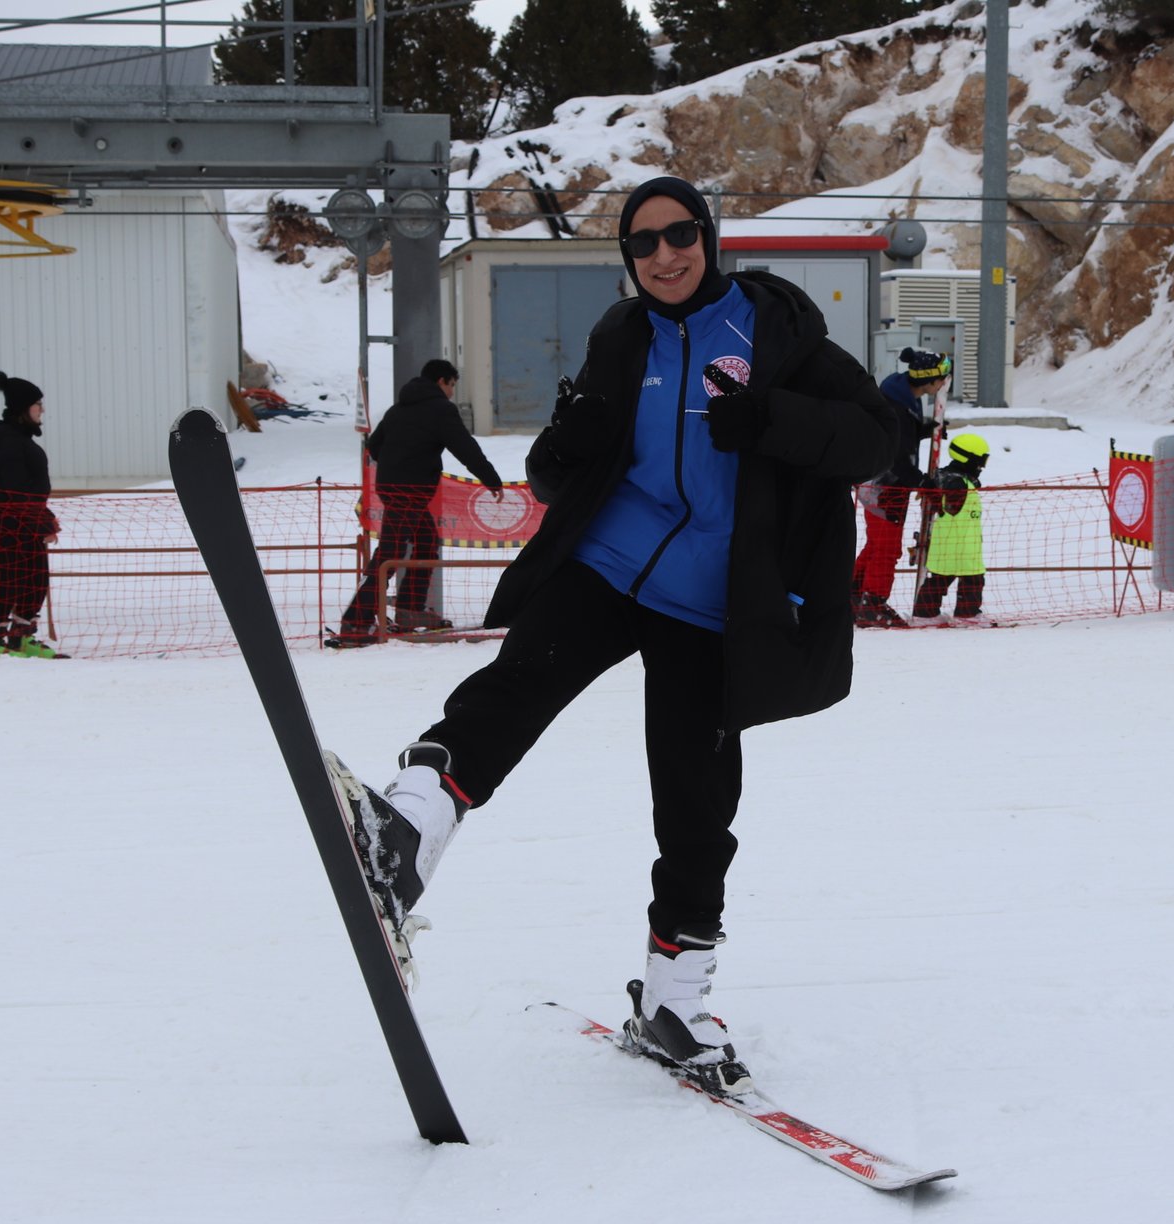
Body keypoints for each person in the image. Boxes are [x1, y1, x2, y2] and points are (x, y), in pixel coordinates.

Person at [324, 176, 896, 1094]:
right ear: (627, 260)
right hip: (607, 564)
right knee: (513, 687)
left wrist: (774, 421)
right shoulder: (620, 335)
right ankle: (406, 830)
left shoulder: (775, 330)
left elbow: (879, 438)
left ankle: (675, 996)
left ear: (707, 237)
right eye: (642, 244)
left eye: (679, 235)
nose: (664, 255)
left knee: (697, 805)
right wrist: (566, 445)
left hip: (712, 605)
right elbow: (561, 470)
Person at [327, 359, 503, 645]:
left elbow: (374, 447)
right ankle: (356, 621)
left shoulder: (398, 409)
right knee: (390, 553)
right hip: (412, 491)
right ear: (442, 381)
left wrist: (398, 463)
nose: (451, 393)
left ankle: (410, 609)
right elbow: (464, 447)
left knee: (425, 541)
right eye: (451, 385)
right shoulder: (441, 410)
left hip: (392, 489)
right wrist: (490, 479)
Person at [852, 347, 948, 627]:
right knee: (887, 549)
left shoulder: (905, 396)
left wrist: (927, 429)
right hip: (885, 489)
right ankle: (873, 605)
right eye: (941, 376)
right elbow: (896, 458)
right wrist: (922, 482)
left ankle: (854, 595)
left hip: (884, 486)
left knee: (876, 545)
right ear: (928, 380)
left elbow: (902, 437)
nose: (943, 382)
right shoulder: (897, 406)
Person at [0, 372, 61, 657]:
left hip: (24, 517)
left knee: (34, 577)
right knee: (14, 577)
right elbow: (18, 491)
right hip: (13, 519)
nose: (42, 410)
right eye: (38, 404)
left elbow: (28, 491)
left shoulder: (18, 440)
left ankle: (20, 637)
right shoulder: (10, 443)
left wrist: (43, 518)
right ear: (24, 408)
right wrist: (43, 521)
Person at [911, 431, 991, 620]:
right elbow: (952, 507)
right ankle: (968, 614)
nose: (982, 467)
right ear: (969, 459)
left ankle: (925, 614)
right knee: (972, 580)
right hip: (961, 545)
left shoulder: (950, 477)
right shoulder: (956, 482)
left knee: (939, 579)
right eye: (981, 461)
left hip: (950, 544)